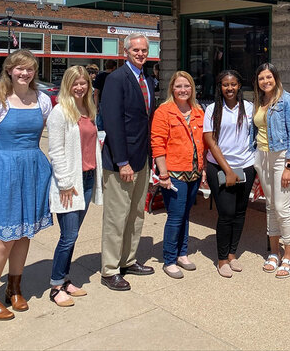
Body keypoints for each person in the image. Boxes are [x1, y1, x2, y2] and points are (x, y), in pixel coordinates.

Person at [0, 49, 53, 320]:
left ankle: (15, 288)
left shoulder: (42, 100)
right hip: (3, 170)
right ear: (9, 70)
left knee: (23, 234)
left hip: (32, 169)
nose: (25, 73)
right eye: (19, 68)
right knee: (3, 239)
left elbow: (38, 134)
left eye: (30, 69)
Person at [99, 33, 155, 291]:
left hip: (142, 158)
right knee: (116, 216)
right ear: (126, 52)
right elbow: (113, 123)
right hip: (121, 162)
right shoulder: (116, 79)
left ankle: (128, 260)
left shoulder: (147, 79)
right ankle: (110, 269)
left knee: (136, 214)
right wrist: (122, 161)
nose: (141, 53)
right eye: (136, 50)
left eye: (144, 50)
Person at [47, 66, 103, 307]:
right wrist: (66, 183)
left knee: (74, 234)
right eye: (75, 83)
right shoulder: (60, 112)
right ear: (67, 85)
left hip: (88, 179)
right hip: (70, 182)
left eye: (83, 83)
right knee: (68, 236)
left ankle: (66, 278)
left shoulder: (87, 109)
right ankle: (56, 286)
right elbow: (56, 151)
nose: (80, 87)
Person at [151, 71, 205, 279]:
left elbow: (204, 143)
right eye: (178, 87)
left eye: (187, 86)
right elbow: (157, 143)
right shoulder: (164, 112)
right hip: (173, 173)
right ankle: (170, 259)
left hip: (194, 171)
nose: (183, 90)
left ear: (192, 88)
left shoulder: (198, 111)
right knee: (175, 216)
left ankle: (183, 253)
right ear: (171, 89)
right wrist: (163, 173)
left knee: (186, 214)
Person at [203, 70, 256, 278]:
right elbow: (210, 140)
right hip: (220, 167)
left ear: (239, 86)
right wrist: (227, 170)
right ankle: (222, 259)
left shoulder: (249, 108)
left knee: (240, 212)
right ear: (220, 87)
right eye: (225, 85)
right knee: (226, 214)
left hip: (246, 166)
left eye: (233, 84)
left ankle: (233, 254)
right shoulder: (212, 109)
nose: (230, 88)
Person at [251, 63, 290, 279]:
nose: (265, 81)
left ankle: (288, 256)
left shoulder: (288, 100)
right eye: (261, 78)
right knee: (270, 206)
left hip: (282, 156)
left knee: (282, 207)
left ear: (276, 78)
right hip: (262, 156)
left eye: (269, 77)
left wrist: (289, 166)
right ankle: (273, 253)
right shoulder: (259, 101)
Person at [93, 59, 117, 130]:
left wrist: (96, 106)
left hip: (102, 102)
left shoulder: (99, 76)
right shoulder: (116, 76)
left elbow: (96, 93)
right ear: (114, 67)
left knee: (100, 124)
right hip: (114, 103)